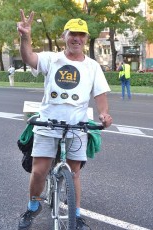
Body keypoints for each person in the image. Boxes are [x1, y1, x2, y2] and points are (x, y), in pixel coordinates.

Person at [17, 9, 113, 230]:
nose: (77, 38)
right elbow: (29, 57)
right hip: (47, 123)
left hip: (77, 127)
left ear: (86, 39)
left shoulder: (92, 66)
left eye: (81, 34)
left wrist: (104, 114)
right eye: (72, 34)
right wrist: (25, 37)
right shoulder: (52, 58)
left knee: (74, 172)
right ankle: (33, 206)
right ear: (64, 36)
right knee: (39, 170)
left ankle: (76, 215)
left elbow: (100, 94)